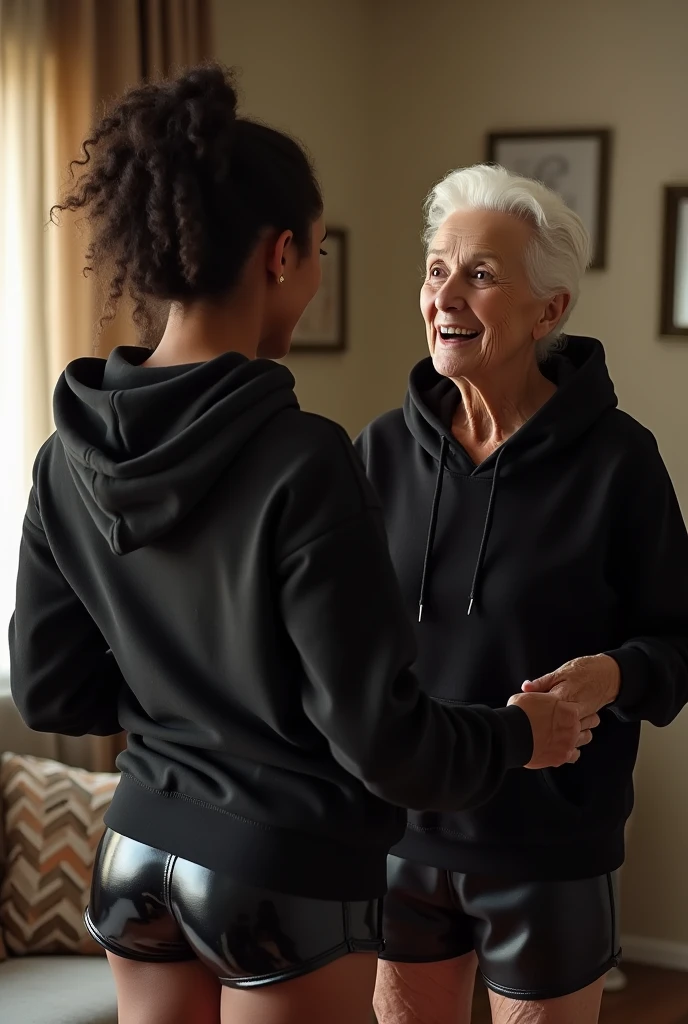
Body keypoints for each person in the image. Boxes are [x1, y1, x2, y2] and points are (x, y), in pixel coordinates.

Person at [8, 72, 585, 1024]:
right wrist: (525, 735)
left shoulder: (60, 457)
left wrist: (191, 701)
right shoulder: (303, 458)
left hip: (135, 855)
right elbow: (382, 740)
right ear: (281, 255)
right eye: (318, 254)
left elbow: (49, 692)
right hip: (282, 870)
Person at [356, 164, 688, 1024]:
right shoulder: (379, 453)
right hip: (398, 835)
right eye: (437, 270)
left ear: (551, 311)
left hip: (549, 846)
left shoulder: (620, 461)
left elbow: (677, 644)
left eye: (481, 274)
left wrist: (612, 676)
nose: (448, 295)